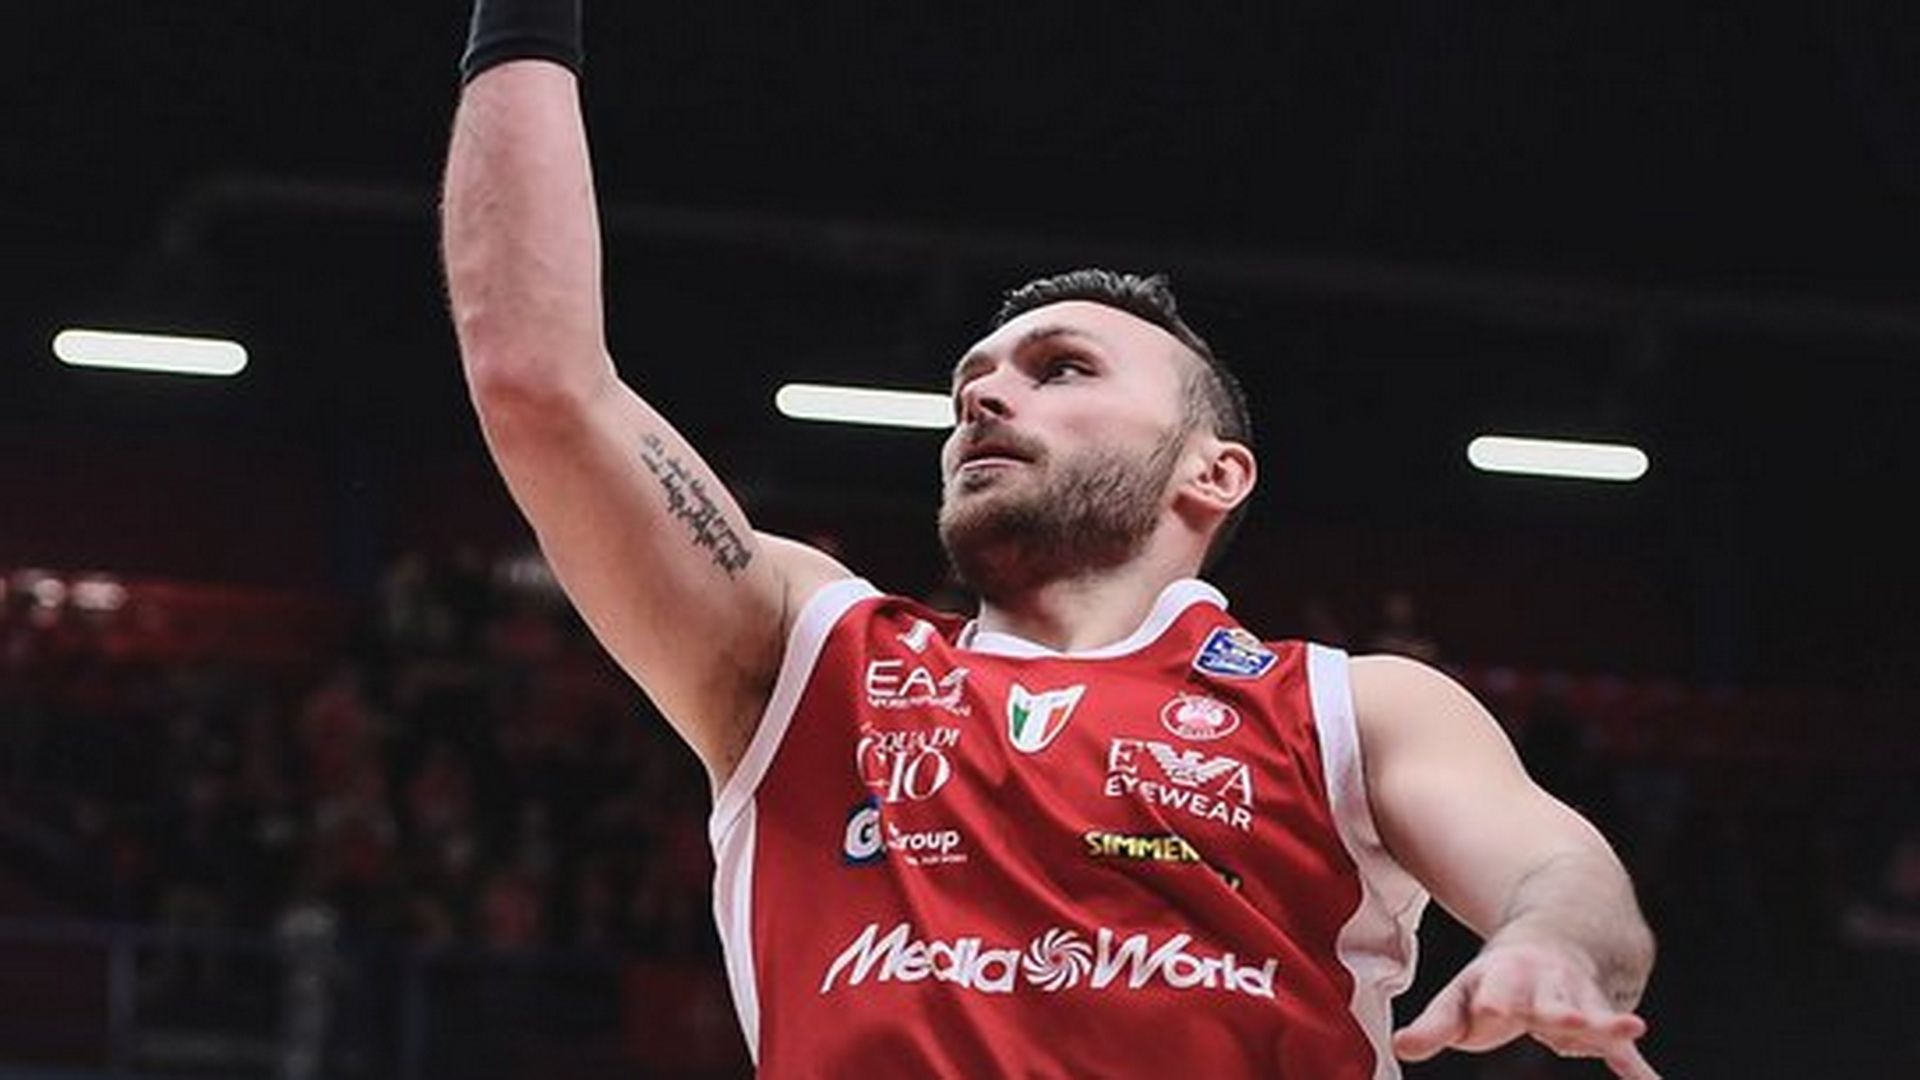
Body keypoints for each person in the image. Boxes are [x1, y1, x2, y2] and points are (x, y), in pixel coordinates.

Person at [440, 3, 1659, 1076]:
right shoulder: (813, 662)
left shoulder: (1346, 709)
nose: (983, 395)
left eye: (1061, 368)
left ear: (1214, 471)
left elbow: (1562, 871)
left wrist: (1550, 942)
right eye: (970, 382)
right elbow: (540, 383)